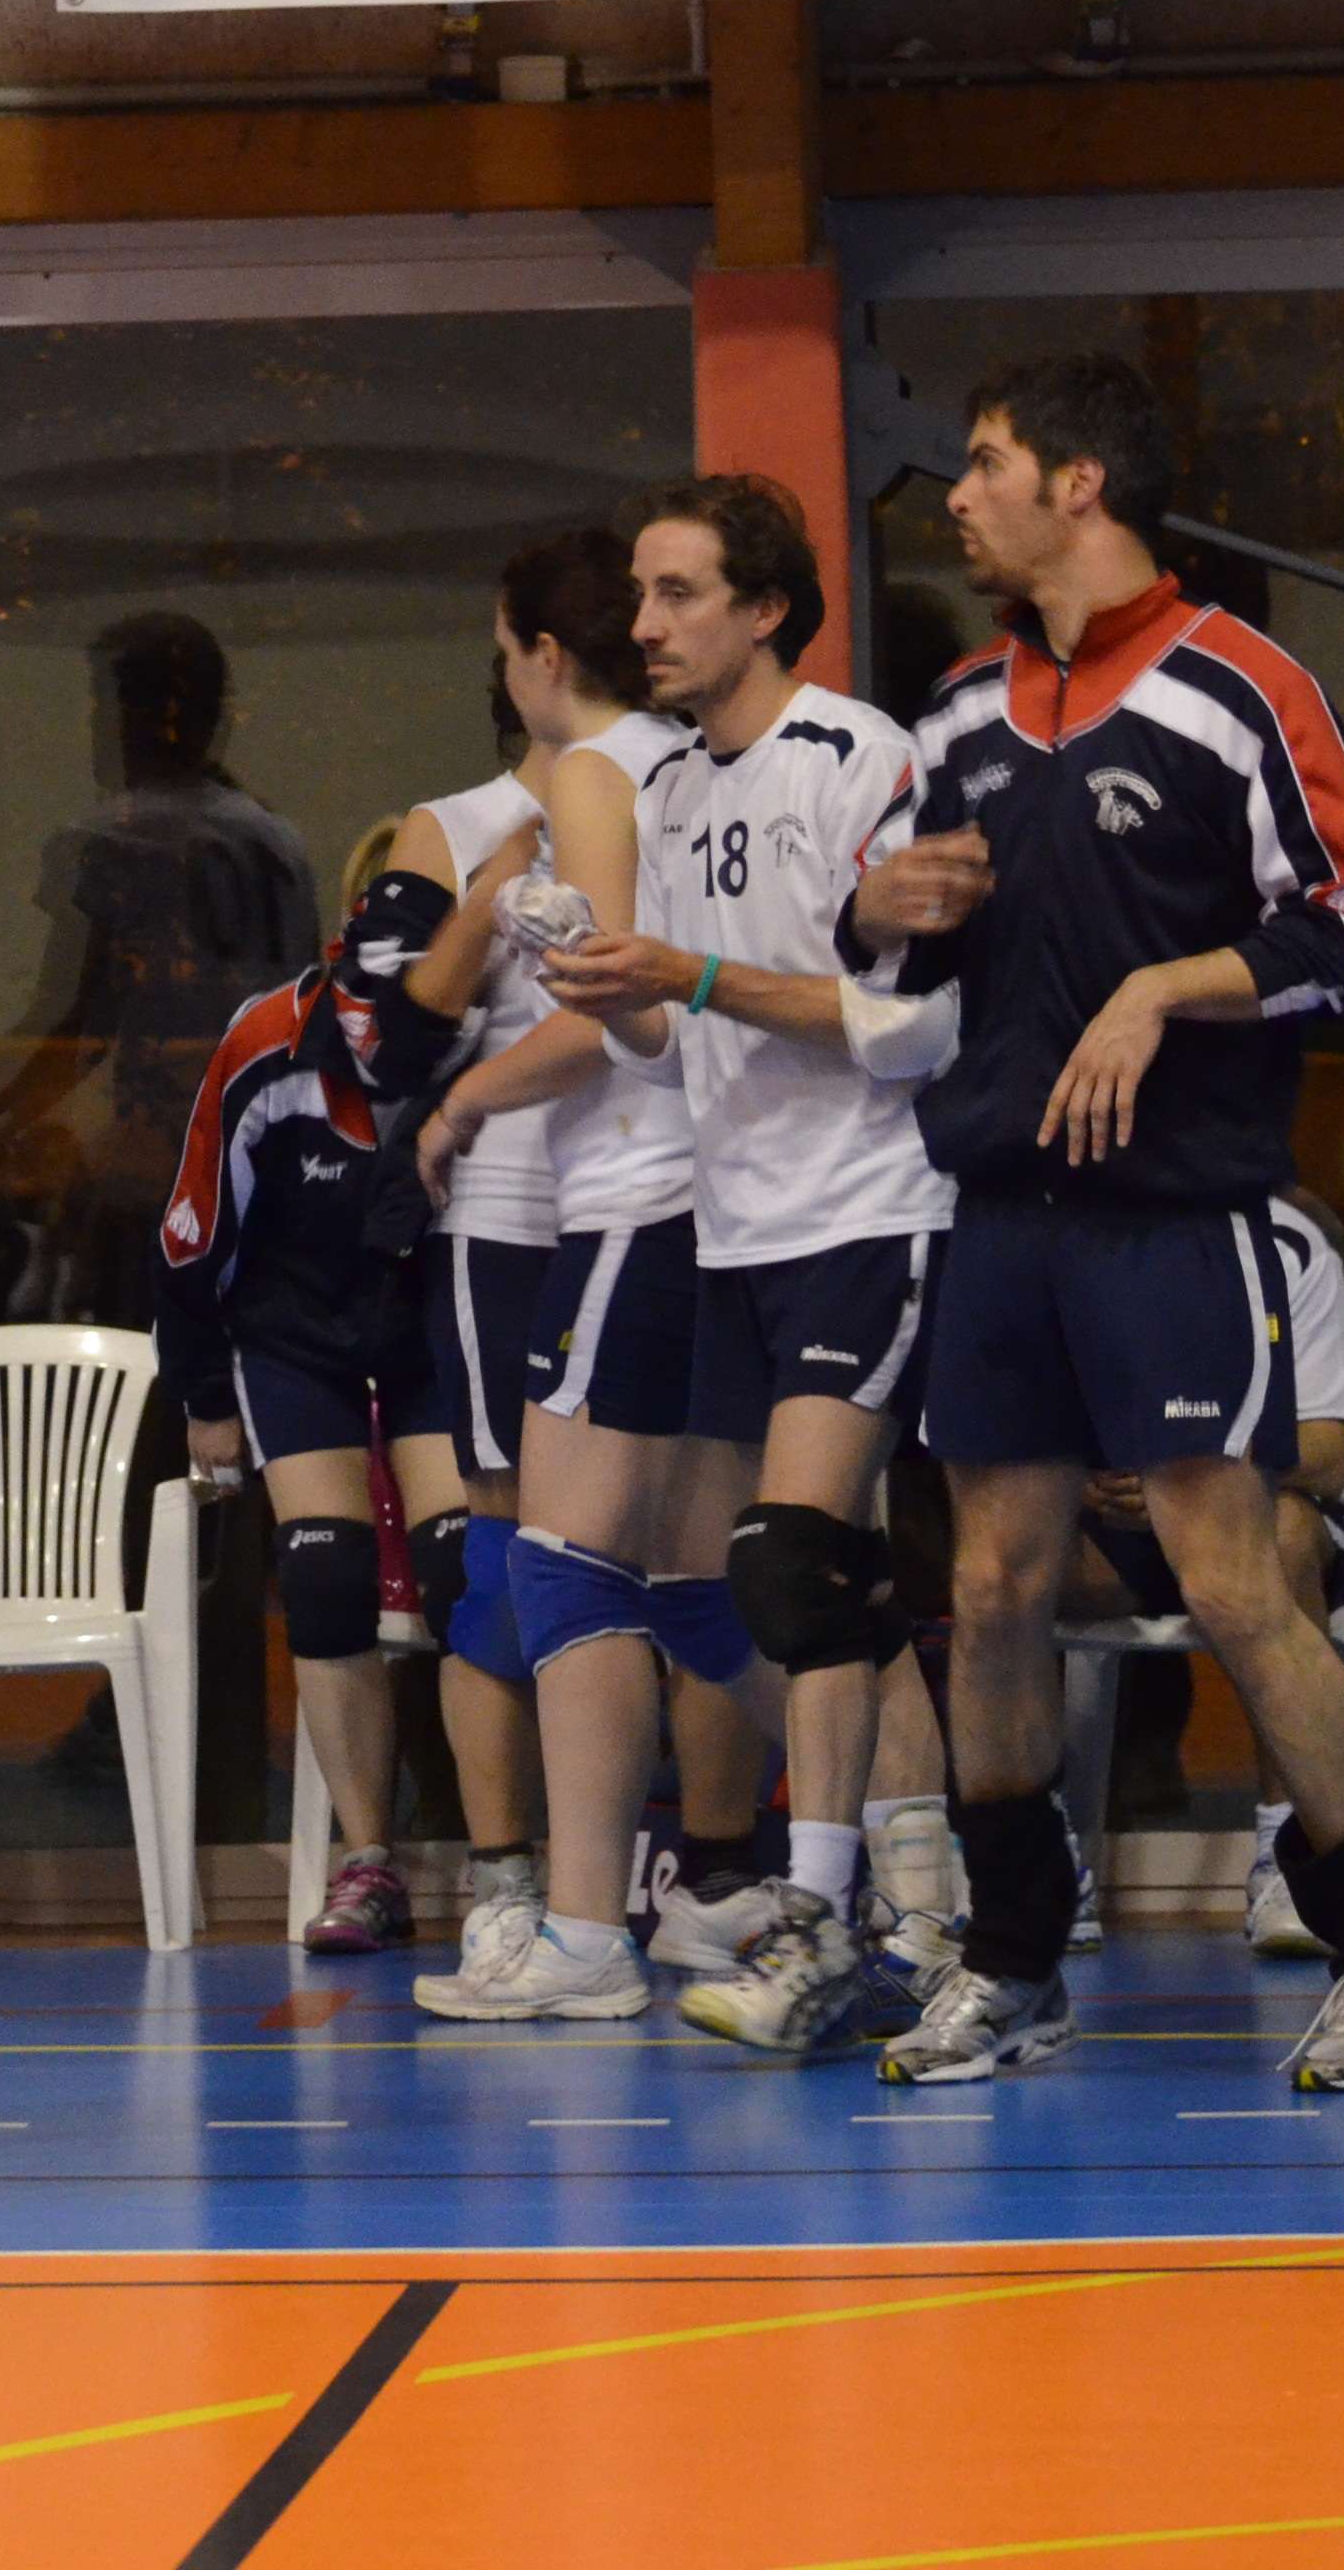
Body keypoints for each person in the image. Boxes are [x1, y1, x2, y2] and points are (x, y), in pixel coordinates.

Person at [854, 348, 1344, 2091]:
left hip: (1174, 1219)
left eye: (985, 462)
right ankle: (1010, 1964)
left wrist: (1164, 989)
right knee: (987, 1587)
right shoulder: (956, 715)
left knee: (1230, 1578)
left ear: (1080, 485)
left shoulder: (1238, 688)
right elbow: (892, 964)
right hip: (997, 1211)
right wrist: (882, 906)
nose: (958, 496)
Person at [544, 476, 961, 2058]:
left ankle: (831, 1919)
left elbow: (914, 1028)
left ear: (767, 607)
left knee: (793, 1563)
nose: (644, 626)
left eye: (679, 594)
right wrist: (611, 991)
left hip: (867, 1211)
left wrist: (693, 973)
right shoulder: (667, 791)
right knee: (770, 1584)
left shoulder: (858, 759)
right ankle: (912, 1905)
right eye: (638, 596)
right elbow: (671, 1044)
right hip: (739, 1228)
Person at [412, 565, 771, 2026]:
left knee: (565, 1566)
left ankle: (581, 1932)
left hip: (639, 1201)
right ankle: (870, 1868)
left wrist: (462, 1102)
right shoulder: (703, 764)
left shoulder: (592, 770)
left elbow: (616, 1000)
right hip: (719, 1206)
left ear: (541, 653)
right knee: (726, 1581)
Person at [153, 840, 492, 1954]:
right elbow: (194, 1229)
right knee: (323, 1571)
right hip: (294, 1333)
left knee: (465, 1570)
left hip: (430, 1327)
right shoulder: (265, 1042)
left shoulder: (492, 1040)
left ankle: (510, 1863)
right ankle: (367, 1861)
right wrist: (204, 1392)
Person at [0, 613, 322, 1331]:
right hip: (270, 1169)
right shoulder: (279, 844)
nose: (95, 730)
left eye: (101, 706)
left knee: (143, 1372)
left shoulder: (110, 841)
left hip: (159, 1176)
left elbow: (72, 1024)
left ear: (148, 718)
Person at [1059, 1189, 1344, 1959]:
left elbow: (1327, 1452)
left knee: (1290, 1533)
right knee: (1003, 1559)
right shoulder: (1052, 1237)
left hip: (1248, 1518)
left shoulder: (1292, 1244)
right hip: (1112, 1528)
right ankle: (1035, 1853)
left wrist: (1193, 1469)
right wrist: (1073, 1478)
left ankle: (1290, 1849)